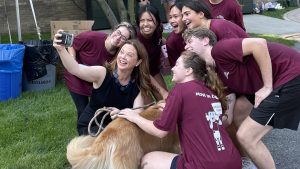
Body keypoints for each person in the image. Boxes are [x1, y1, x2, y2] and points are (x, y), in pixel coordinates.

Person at [183, 27, 300, 169]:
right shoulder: (217, 72)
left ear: (205, 41)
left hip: (291, 74)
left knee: (247, 137)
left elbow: (259, 44)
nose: (186, 46)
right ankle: (248, 163)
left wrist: (268, 87)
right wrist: (205, 127)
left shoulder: (219, 49)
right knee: (240, 110)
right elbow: (230, 113)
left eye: (190, 41)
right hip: (277, 80)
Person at [117, 51, 242, 169]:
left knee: (148, 160)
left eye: (177, 65)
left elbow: (160, 131)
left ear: (188, 71)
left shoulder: (181, 89)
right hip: (233, 160)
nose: (172, 68)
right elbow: (196, 114)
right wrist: (170, 108)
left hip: (205, 165)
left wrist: (134, 117)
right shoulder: (211, 94)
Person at [53, 37, 152, 135]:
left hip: (115, 129)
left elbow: (137, 119)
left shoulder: (136, 89)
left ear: (138, 62)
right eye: (121, 52)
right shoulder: (102, 73)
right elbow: (75, 69)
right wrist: (61, 49)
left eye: (129, 55)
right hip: (91, 127)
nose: (123, 57)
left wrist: (121, 114)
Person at [62, 22, 136, 132]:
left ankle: (99, 129)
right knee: (83, 109)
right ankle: (83, 136)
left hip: (94, 81)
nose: (118, 38)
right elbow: (72, 44)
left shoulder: (119, 55)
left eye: (123, 38)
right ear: (114, 30)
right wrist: (72, 59)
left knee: (96, 108)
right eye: (118, 33)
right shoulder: (93, 37)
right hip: (76, 77)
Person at [136, 4, 169, 100]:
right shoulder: (136, 43)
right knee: (148, 110)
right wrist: (161, 91)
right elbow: (143, 72)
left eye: (150, 20)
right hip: (138, 76)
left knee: (166, 101)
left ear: (157, 22)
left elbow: (160, 39)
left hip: (153, 70)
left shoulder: (158, 30)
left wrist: (168, 47)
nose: (145, 24)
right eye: (142, 20)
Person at [182, 0, 249, 41]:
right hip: (208, 40)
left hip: (227, 40)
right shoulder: (201, 2)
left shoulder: (232, 5)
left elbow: (240, 28)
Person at [166, 2, 186, 67]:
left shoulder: (198, 31)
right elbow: (175, 68)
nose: (171, 20)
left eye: (175, 16)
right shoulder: (171, 41)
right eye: (170, 17)